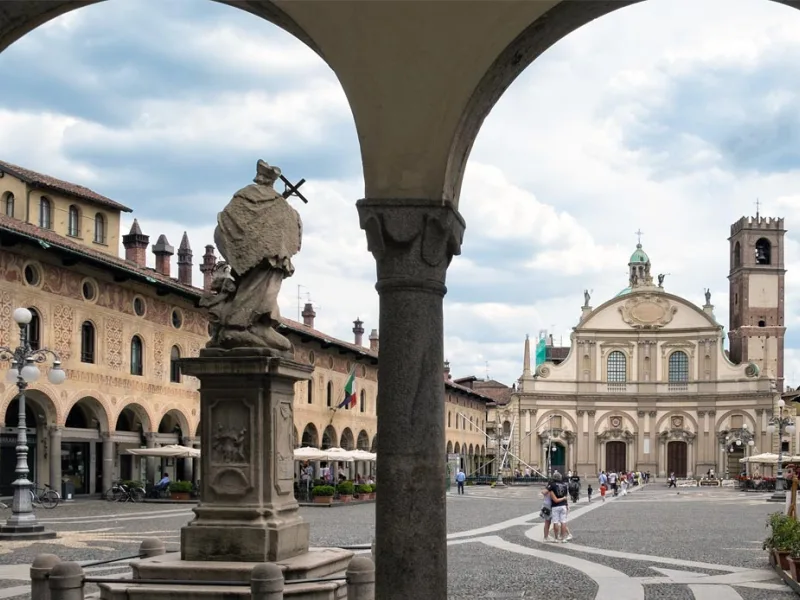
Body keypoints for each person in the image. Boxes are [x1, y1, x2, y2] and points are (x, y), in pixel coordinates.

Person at [547, 472, 572, 542]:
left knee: (555, 522)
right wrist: (566, 505)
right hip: (563, 505)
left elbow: (547, 491)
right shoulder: (564, 485)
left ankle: (556, 538)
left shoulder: (552, 485)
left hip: (555, 506)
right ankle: (563, 538)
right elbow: (566, 496)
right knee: (563, 522)